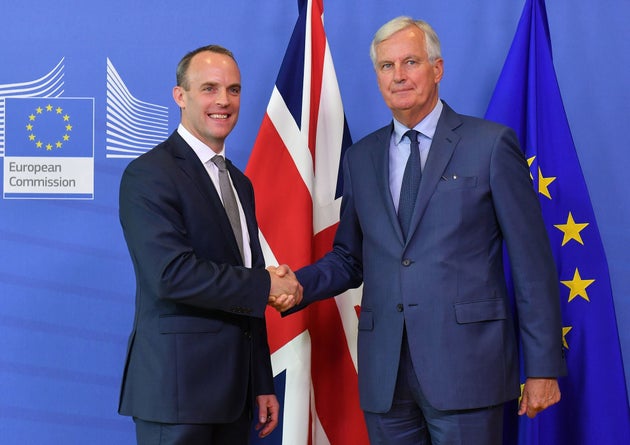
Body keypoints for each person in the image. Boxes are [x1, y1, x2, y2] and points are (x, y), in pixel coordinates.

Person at [271, 17, 566, 445]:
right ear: (377, 76)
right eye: (387, 66)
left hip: (467, 369)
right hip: (386, 374)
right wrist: (298, 284)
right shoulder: (362, 157)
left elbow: (531, 262)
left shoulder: (490, 145)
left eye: (410, 62)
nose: (399, 75)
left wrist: (542, 366)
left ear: (437, 69)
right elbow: (350, 258)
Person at [117, 44, 301, 445]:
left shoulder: (239, 182)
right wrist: (268, 285)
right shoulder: (149, 175)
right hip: (176, 395)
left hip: (234, 397)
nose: (223, 101)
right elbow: (172, 276)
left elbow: (245, 279)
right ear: (180, 96)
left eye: (233, 90)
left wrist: (261, 380)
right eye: (210, 88)